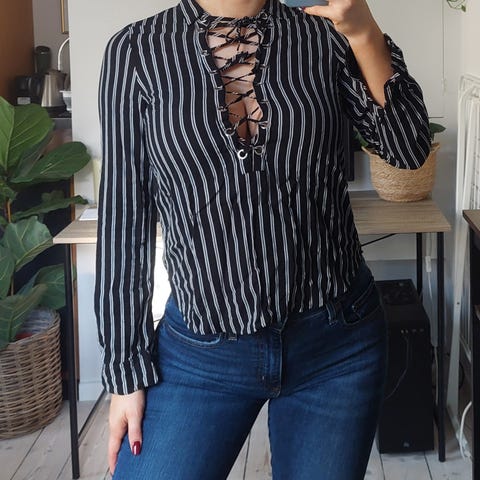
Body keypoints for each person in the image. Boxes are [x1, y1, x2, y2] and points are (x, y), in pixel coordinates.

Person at [94, 0, 430, 478]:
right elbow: (124, 216)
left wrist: (364, 33)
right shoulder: (135, 51)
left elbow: (408, 147)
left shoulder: (325, 36)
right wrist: (125, 372)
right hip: (200, 353)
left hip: (337, 346)